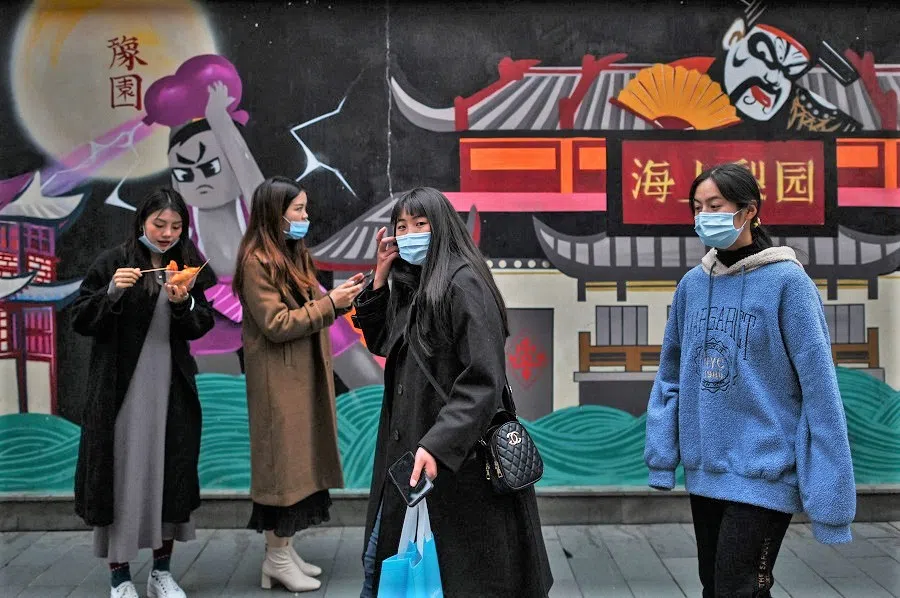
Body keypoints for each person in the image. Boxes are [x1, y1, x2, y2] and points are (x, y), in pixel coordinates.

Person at [644, 163, 856, 597]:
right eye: (697, 207)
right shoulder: (691, 286)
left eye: (715, 206)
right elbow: (670, 375)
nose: (704, 216)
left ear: (748, 212)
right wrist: (663, 456)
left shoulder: (788, 284)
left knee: (740, 588)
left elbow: (820, 389)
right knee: (714, 587)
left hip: (766, 469)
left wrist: (831, 493)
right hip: (706, 470)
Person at [352, 187, 553, 597]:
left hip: (456, 465)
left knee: (461, 575)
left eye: (420, 224)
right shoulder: (415, 283)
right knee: (391, 565)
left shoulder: (463, 284)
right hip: (413, 458)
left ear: (441, 226)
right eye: (401, 226)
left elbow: (483, 380)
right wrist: (380, 277)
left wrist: (438, 445)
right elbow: (383, 342)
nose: (409, 234)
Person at [71, 188, 215, 598]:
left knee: (169, 477)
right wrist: (111, 292)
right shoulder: (112, 264)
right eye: (159, 224)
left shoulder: (187, 267)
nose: (168, 233)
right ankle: (120, 577)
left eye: (175, 226)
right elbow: (81, 318)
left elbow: (201, 323)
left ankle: (161, 573)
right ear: (141, 222)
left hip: (171, 393)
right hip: (121, 395)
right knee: (122, 478)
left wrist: (185, 302)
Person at [233, 176, 365, 592]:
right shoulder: (256, 261)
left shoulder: (293, 254)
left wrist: (337, 297)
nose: (306, 217)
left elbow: (313, 304)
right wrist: (331, 304)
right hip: (278, 383)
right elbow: (275, 324)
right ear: (276, 214)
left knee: (300, 468)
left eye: (305, 209)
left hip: (301, 378)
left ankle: (283, 553)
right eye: (298, 210)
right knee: (283, 473)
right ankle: (275, 557)